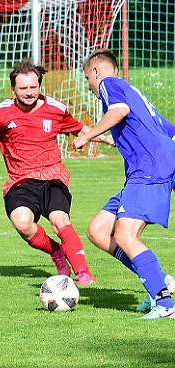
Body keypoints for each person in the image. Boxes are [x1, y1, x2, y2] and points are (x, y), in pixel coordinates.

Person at [0, 59, 114, 285]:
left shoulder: (55, 109)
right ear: (13, 89)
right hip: (20, 181)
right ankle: (56, 252)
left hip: (52, 177)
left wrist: (103, 137)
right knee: (22, 223)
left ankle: (83, 272)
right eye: (23, 88)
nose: (28, 92)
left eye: (33, 87)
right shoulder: (2, 112)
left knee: (59, 219)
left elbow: (78, 128)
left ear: (40, 86)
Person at [73, 48, 175, 319]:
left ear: (96, 71)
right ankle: (159, 279)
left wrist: (88, 135)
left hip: (148, 169)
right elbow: (169, 132)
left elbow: (119, 111)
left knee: (126, 235)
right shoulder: (134, 92)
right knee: (98, 230)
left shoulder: (109, 85)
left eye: (87, 79)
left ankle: (165, 305)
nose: (91, 86)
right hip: (148, 170)